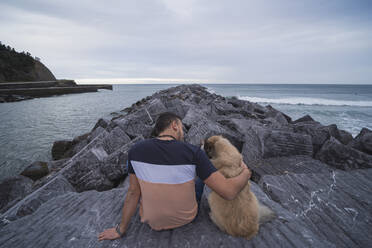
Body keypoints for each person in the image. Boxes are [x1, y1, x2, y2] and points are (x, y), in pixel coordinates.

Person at [98, 112, 251, 241]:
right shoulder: (194, 152)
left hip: (153, 221)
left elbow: (133, 192)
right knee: (201, 177)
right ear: (174, 125)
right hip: (186, 217)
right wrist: (246, 172)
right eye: (182, 128)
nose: (183, 133)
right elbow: (229, 192)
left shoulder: (135, 151)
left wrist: (120, 229)